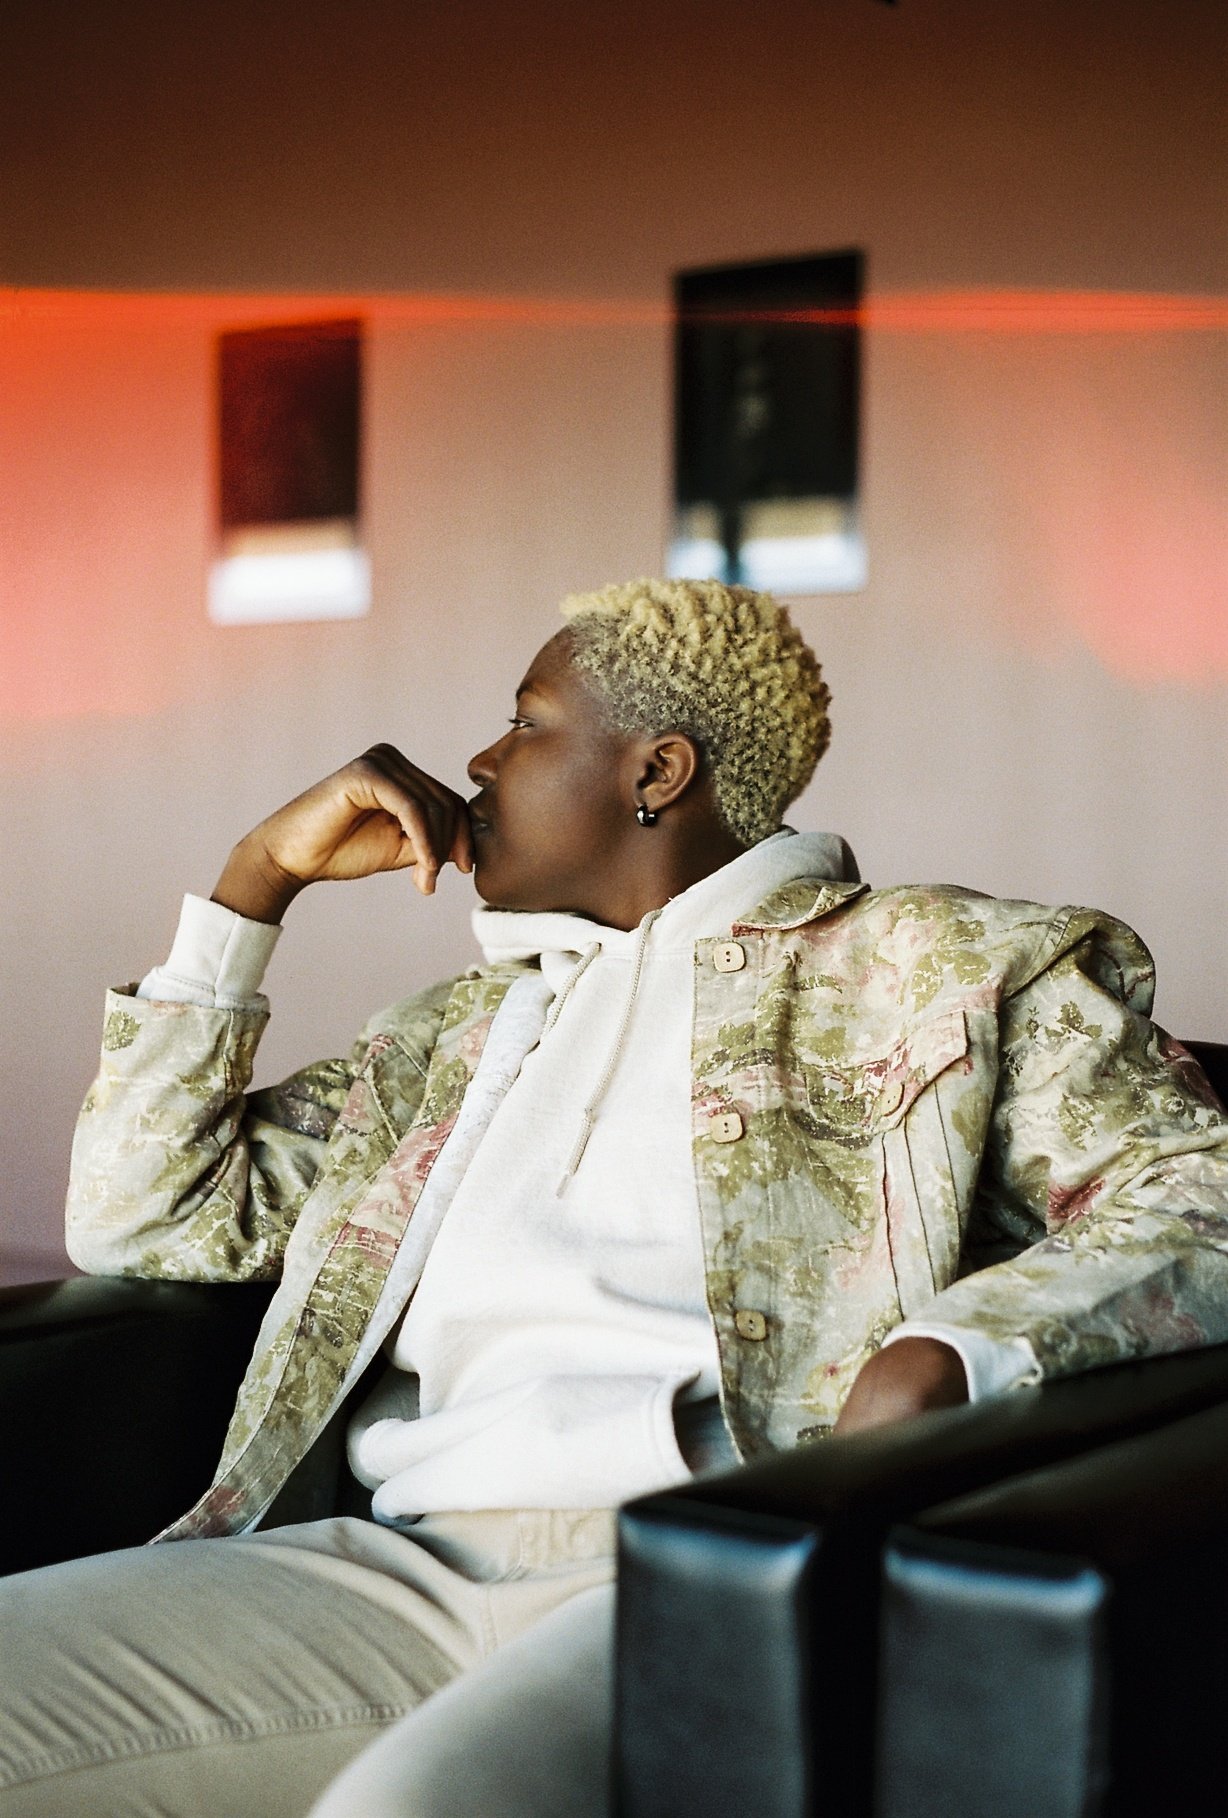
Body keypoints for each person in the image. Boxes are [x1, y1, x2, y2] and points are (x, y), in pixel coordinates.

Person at [3, 577, 1227, 1817]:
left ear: (657, 770)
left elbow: (1197, 1192)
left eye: (525, 722)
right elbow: (143, 1215)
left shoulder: (937, 970)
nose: (479, 762)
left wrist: (950, 1352)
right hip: (390, 1565)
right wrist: (253, 883)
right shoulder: (446, 1040)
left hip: (689, 1570)